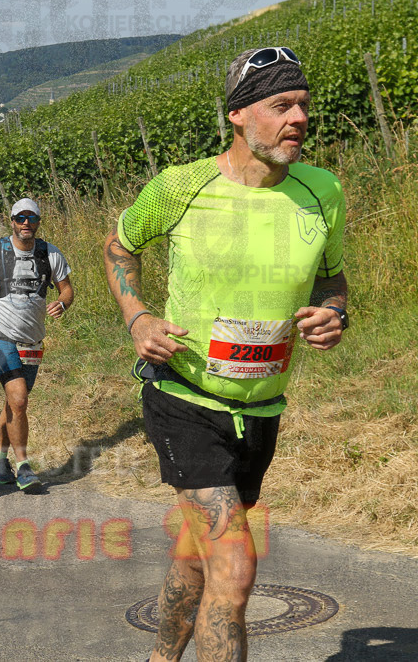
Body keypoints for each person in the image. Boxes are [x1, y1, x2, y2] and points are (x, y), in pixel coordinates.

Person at [104, 48, 347, 662]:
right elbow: (118, 246)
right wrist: (138, 317)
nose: (298, 119)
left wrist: (333, 313)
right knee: (234, 572)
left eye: (304, 107)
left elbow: (332, 279)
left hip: (262, 408)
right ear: (239, 115)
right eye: (281, 106)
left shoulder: (323, 192)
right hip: (185, 398)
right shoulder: (182, 187)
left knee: (197, 556)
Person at [0, 198, 74, 493]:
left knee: (15, 403)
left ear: (39, 221)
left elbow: (67, 288)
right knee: (19, 399)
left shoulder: (50, 253)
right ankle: (23, 465)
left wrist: (62, 303)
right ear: (11, 220)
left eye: (31, 218)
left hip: (33, 341)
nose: (26, 223)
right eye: (20, 218)